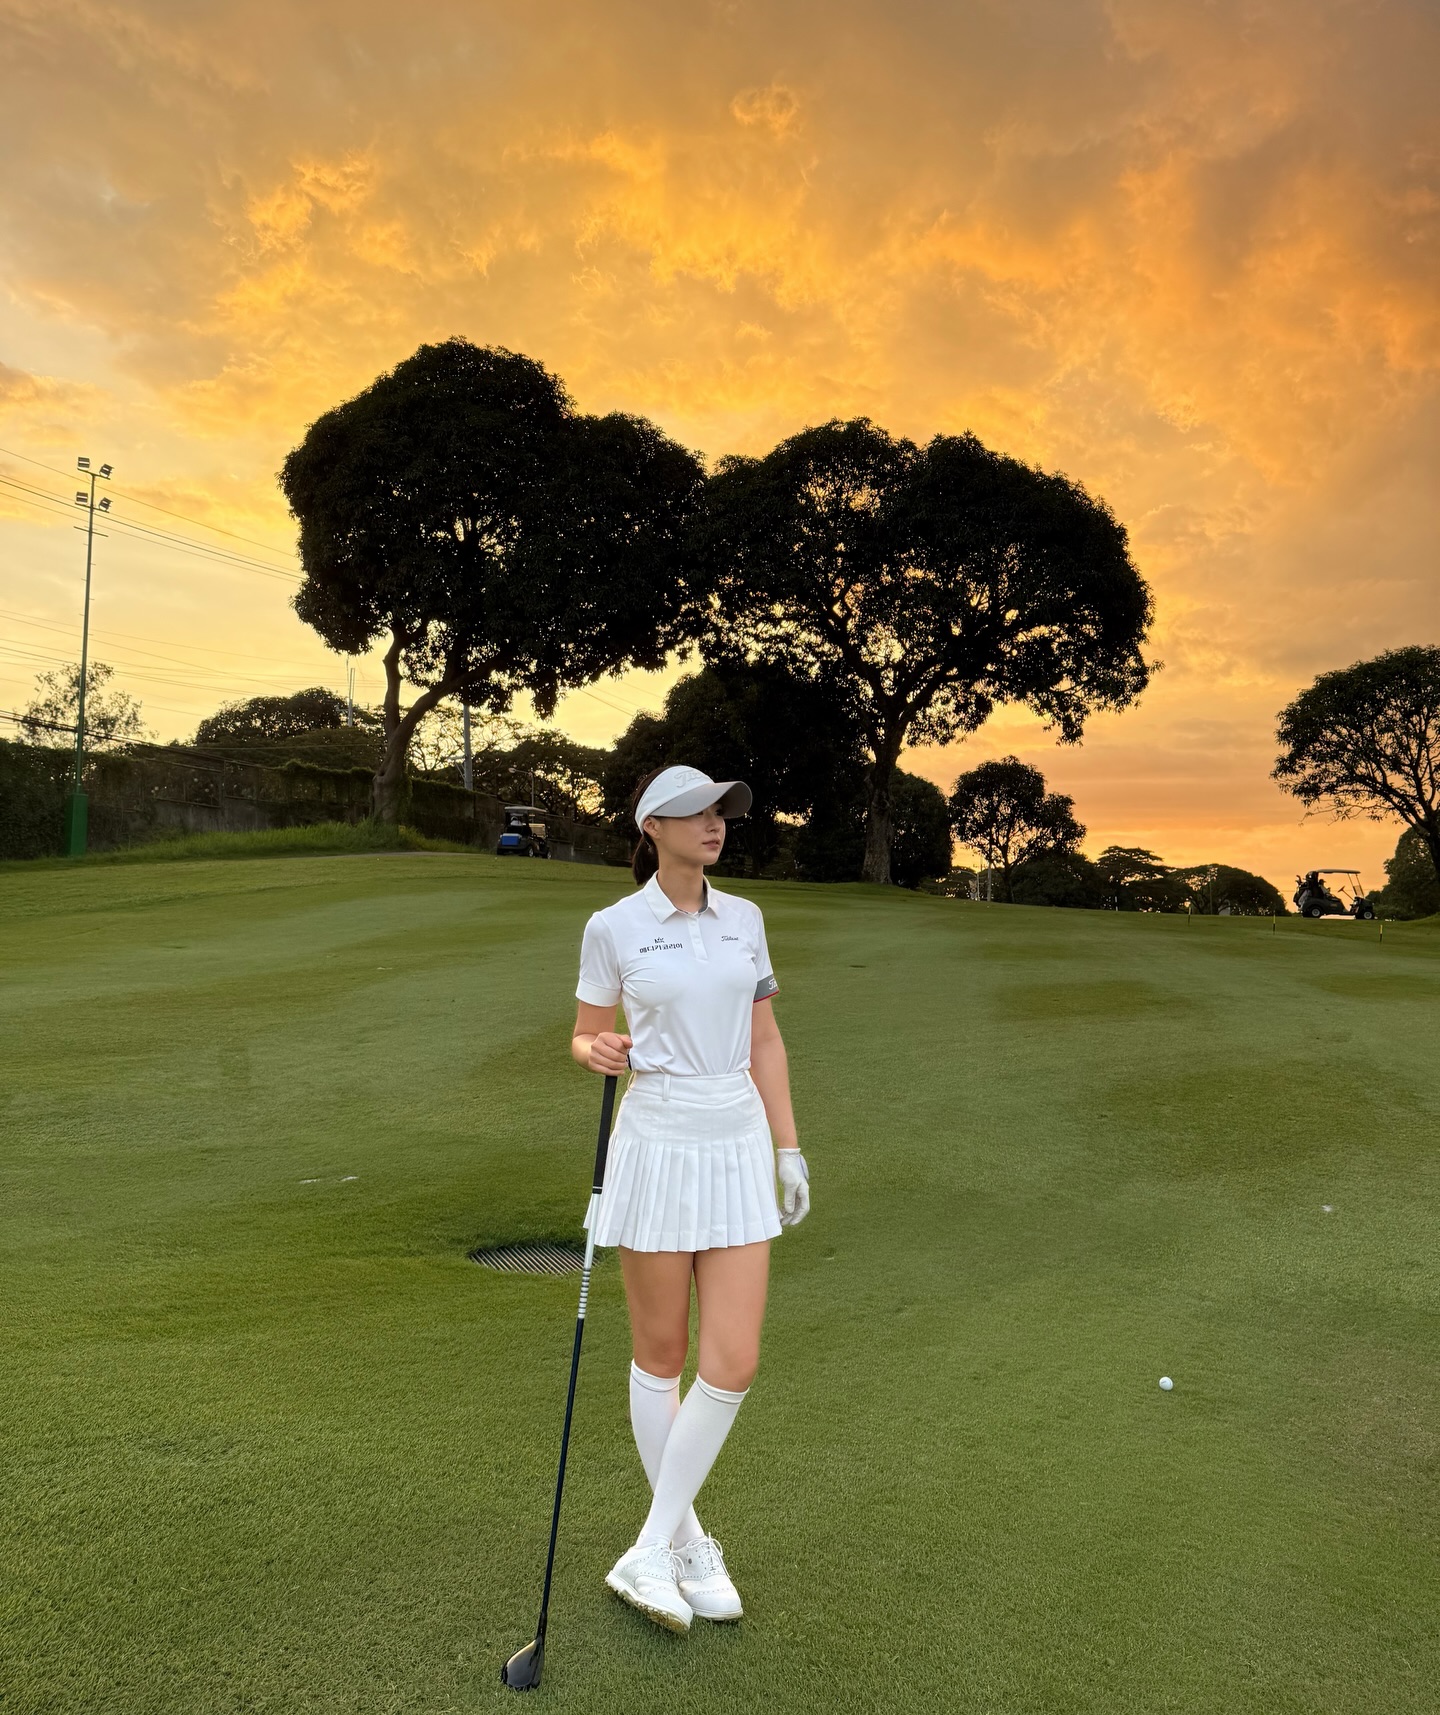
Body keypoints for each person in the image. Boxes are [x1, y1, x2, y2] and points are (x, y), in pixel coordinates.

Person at [571, 764, 810, 1633]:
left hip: (736, 1135)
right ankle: (685, 1541)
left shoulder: (745, 918)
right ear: (653, 827)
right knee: (663, 1351)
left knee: (734, 1359)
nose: (715, 824)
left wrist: (789, 1147)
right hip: (659, 1136)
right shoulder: (614, 926)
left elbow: (765, 1040)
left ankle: (649, 1545)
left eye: (721, 812)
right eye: (696, 812)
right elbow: (586, 1032)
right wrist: (596, 1051)